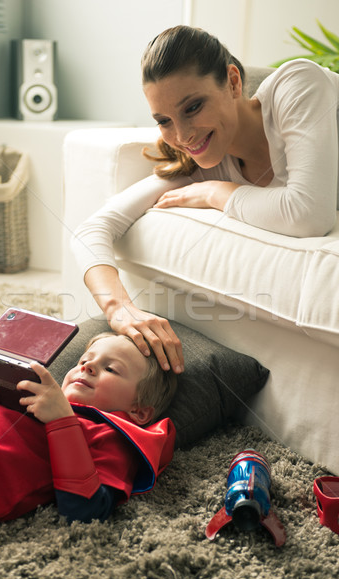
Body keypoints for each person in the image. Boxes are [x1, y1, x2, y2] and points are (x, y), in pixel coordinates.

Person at [71, 24, 338, 374]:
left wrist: (218, 193)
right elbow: (93, 229)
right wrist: (119, 309)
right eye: (165, 120)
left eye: (193, 107)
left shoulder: (297, 84)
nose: (182, 135)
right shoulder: (203, 160)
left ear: (233, 82)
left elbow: (308, 216)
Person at [0, 332, 176, 538]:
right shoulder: (24, 395)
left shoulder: (110, 435)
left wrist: (61, 421)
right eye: (84, 360)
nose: (87, 367)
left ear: (139, 411)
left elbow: (87, 511)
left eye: (110, 369)